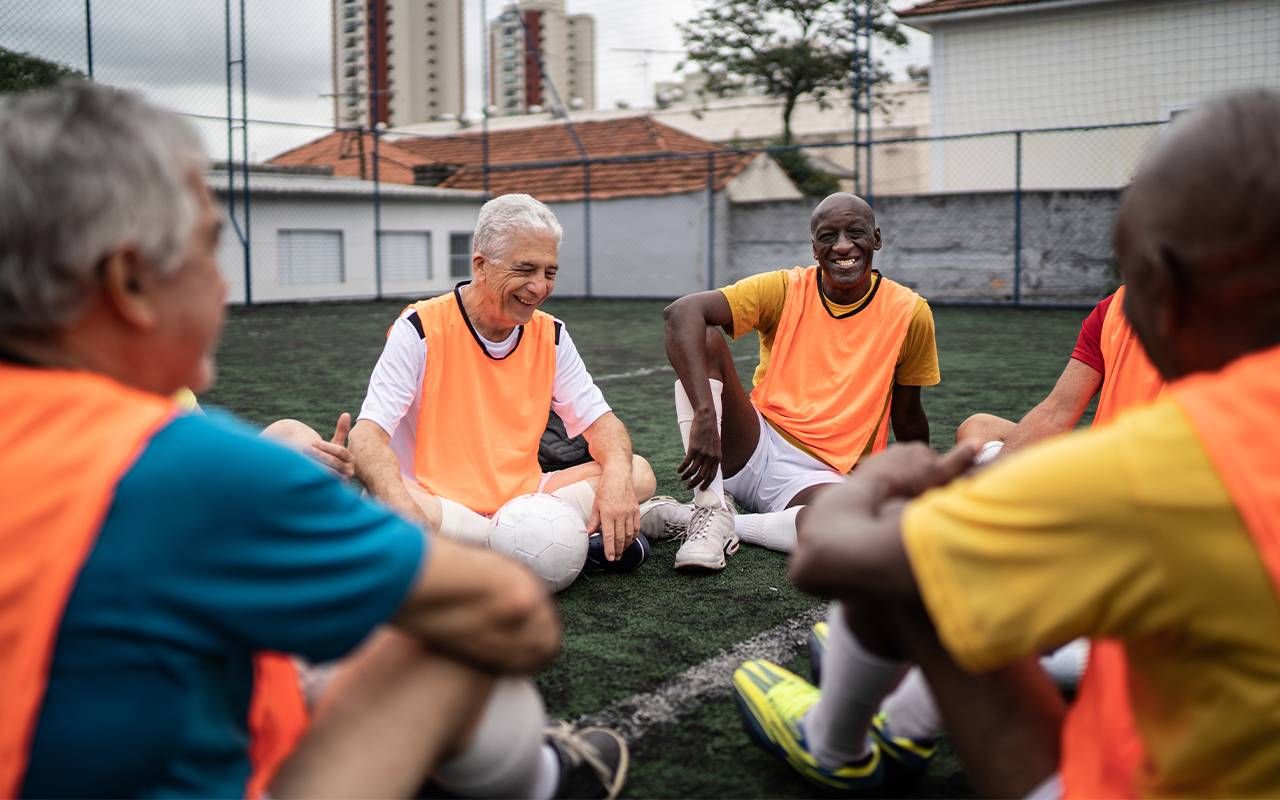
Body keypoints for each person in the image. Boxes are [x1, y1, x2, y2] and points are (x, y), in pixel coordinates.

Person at [0, 82, 627, 799]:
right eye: (208, 248)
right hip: (441, 524)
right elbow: (515, 617)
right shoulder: (189, 467)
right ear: (129, 282)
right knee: (446, 652)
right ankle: (549, 780)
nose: (220, 283)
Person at [772, 88, 1280, 798]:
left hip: (1136, 755)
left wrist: (879, 480)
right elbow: (1054, 415)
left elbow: (830, 556)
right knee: (983, 446)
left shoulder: (1164, 465)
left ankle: (841, 742)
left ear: (1158, 283)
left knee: (919, 576)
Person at [735, 288, 1165, 795]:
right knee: (964, 525)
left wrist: (882, 504)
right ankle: (903, 715)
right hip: (1143, 559)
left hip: (1159, 704)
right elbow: (1055, 417)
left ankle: (850, 735)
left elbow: (824, 560)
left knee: (922, 563)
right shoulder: (1128, 310)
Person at [348, 193, 657, 574]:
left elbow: (603, 425)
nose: (539, 287)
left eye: (550, 272)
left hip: (524, 497)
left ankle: (503, 550)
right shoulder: (420, 328)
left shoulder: (552, 334)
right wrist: (401, 504)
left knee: (636, 472)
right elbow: (365, 438)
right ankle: (560, 545)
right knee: (386, 498)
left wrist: (617, 482)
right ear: (481, 265)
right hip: (438, 502)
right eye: (525, 269)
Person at [648, 192, 939, 570]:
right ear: (814, 248)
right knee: (703, 336)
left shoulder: (910, 313)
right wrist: (706, 413)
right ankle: (710, 503)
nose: (843, 246)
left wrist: (926, 482)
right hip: (751, 446)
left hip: (822, 478)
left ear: (877, 239)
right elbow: (681, 313)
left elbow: (908, 414)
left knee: (861, 530)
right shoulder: (787, 289)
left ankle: (710, 519)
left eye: (855, 232)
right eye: (828, 236)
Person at [955, 287, 1163, 461]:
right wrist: (992, 474)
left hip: (1159, 474)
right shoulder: (1113, 310)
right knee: (980, 426)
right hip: (1105, 465)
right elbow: (1057, 412)